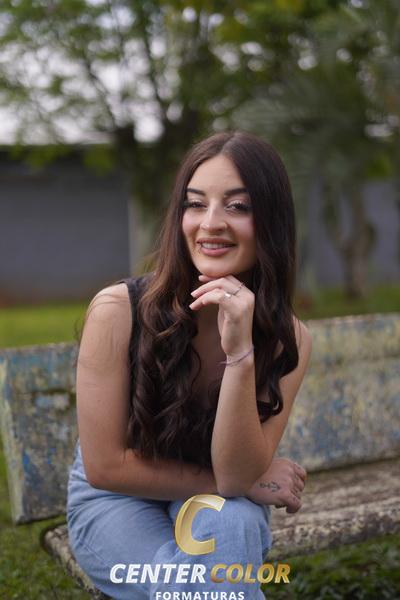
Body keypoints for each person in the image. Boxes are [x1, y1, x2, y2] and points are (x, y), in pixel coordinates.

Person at [67, 130, 312, 600]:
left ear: (272, 221)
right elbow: (105, 468)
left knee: (234, 523)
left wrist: (241, 354)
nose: (210, 223)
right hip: (117, 499)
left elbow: (236, 478)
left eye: (238, 206)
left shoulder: (289, 340)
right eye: (195, 204)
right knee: (210, 558)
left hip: (215, 496)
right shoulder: (118, 312)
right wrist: (249, 483)